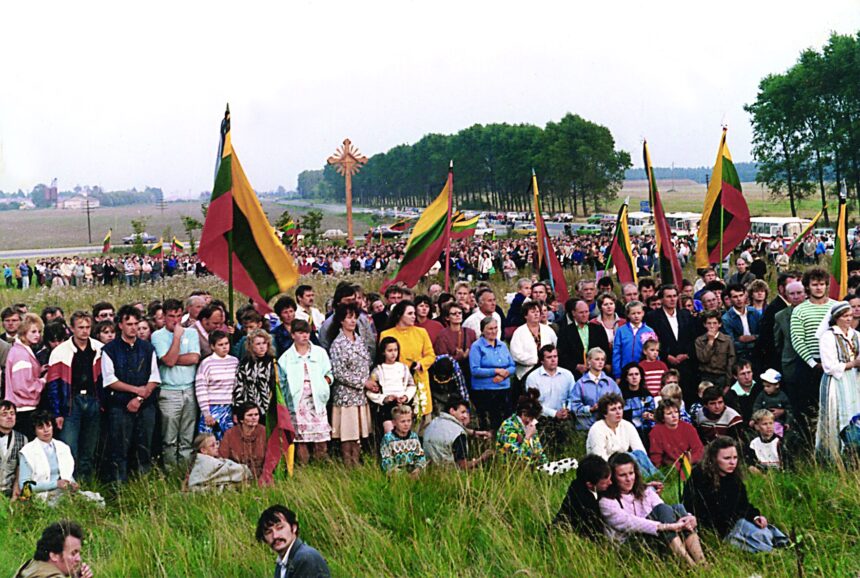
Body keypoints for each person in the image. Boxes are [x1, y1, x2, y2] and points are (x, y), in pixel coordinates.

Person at [683, 436, 789, 553]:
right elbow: (692, 507)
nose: (732, 462)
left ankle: (782, 545)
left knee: (765, 531)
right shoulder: (699, 477)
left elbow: (743, 504)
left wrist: (755, 516)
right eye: (727, 458)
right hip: (722, 529)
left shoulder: (733, 477)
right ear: (713, 458)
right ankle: (770, 550)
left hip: (739, 522)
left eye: (735, 458)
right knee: (757, 535)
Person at [599, 453, 704, 567]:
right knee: (663, 511)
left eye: (631, 473)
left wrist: (688, 517)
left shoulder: (646, 491)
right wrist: (664, 526)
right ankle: (690, 565)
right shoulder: (607, 501)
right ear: (613, 478)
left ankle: (702, 563)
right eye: (622, 475)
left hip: (655, 540)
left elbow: (665, 510)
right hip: (628, 547)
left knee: (677, 508)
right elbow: (629, 523)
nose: (629, 479)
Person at [101, 305, 161, 484]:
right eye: (129, 324)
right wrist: (135, 391)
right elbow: (110, 380)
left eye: (136, 324)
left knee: (145, 449)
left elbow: (154, 377)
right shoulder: (110, 350)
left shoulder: (147, 348)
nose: (133, 328)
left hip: (145, 406)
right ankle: (120, 488)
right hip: (119, 407)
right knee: (120, 450)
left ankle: (145, 487)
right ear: (120, 325)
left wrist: (140, 398)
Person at [44, 311, 103, 481]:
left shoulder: (99, 349)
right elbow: (53, 385)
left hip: (93, 400)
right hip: (71, 402)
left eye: (87, 327)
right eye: (81, 327)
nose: (84, 331)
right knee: (69, 447)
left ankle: (86, 482)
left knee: (89, 447)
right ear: (72, 328)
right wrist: (57, 413)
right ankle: (70, 483)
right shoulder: (60, 352)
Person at [151, 298, 201, 467]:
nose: (176, 320)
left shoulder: (192, 333)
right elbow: (169, 361)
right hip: (169, 391)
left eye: (179, 316)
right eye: (171, 316)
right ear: (164, 316)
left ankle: (185, 471)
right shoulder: (157, 336)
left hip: (189, 388)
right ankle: (171, 471)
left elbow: (194, 357)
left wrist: (170, 358)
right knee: (169, 437)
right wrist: (177, 338)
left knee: (187, 436)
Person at [790, 268, 837, 441]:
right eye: (814, 284)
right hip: (809, 366)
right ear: (808, 287)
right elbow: (797, 340)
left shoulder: (835, 307)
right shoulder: (800, 310)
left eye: (822, 284)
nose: (818, 288)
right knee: (808, 409)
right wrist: (812, 363)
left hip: (831, 364)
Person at [278, 320, 332, 466]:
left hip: (317, 402)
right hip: (297, 404)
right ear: (293, 335)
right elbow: (282, 382)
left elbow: (329, 372)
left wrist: (324, 383)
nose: (304, 336)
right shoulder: (286, 358)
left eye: (307, 332)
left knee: (321, 439)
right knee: (301, 440)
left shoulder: (320, 353)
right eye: (300, 333)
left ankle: (320, 468)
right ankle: (304, 469)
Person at [327, 303, 373, 467]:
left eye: (355, 317)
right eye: (349, 317)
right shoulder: (338, 343)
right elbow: (339, 372)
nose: (353, 321)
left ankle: (357, 463)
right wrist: (363, 383)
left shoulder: (359, 339)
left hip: (361, 396)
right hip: (346, 396)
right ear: (341, 320)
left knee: (359, 433)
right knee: (348, 433)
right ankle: (348, 464)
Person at [815, 301, 860, 461]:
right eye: (844, 316)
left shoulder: (856, 335)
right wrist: (853, 363)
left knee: (855, 415)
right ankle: (833, 455)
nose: (848, 319)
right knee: (836, 416)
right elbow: (829, 367)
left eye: (850, 315)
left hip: (854, 381)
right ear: (836, 318)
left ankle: (853, 453)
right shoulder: (828, 337)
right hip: (836, 381)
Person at [379, 301, 436, 419]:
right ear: (400, 315)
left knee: (422, 417)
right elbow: (382, 359)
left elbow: (431, 355)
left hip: (419, 378)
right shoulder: (386, 334)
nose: (414, 316)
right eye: (410, 313)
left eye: (414, 313)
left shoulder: (421, 332)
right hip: (397, 382)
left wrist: (421, 364)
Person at [645, 284, 700, 402]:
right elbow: (653, 341)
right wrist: (667, 356)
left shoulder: (685, 314)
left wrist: (686, 354)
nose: (672, 299)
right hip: (665, 363)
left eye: (674, 296)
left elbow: (693, 337)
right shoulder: (652, 317)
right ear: (661, 299)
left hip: (686, 364)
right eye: (668, 296)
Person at [585, 393, 657, 476]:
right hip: (604, 468)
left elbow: (641, 451)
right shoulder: (597, 429)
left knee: (638, 453)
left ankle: (657, 478)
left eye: (620, 408)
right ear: (605, 413)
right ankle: (648, 481)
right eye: (613, 409)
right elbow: (600, 459)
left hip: (624, 463)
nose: (618, 412)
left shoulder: (627, 425)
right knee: (629, 457)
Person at [256, 504, 331, 578]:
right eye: (269, 532)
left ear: (294, 528)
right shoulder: (282, 563)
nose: (275, 536)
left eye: (280, 528)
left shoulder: (305, 558)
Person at [469, 316, 515, 430]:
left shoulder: (502, 345)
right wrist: (495, 371)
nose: (493, 331)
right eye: (490, 329)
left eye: (495, 328)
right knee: (489, 424)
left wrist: (504, 374)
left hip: (504, 388)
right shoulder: (476, 346)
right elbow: (475, 370)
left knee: (505, 423)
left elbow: (512, 366)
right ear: (482, 330)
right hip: (485, 390)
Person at [4, 313, 46, 440]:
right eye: (33, 331)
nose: (37, 335)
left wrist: (38, 370)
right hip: (24, 409)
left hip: (21, 408)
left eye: (39, 331)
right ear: (23, 333)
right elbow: (22, 387)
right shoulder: (21, 354)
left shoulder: (20, 350)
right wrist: (43, 381)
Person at [524, 344, 575, 446]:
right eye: (549, 357)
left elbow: (573, 397)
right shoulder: (533, 378)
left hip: (565, 416)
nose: (553, 360)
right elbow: (534, 404)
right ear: (542, 361)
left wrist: (568, 409)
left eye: (555, 356)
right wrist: (554, 413)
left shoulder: (567, 375)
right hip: (542, 417)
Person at [552, 454, 612, 539]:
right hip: (565, 535)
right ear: (590, 485)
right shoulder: (585, 503)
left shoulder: (578, 483)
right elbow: (594, 532)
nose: (610, 483)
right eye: (605, 482)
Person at [422, 397, 493, 469]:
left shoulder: (434, 422)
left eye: (467, 413)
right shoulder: (459, 435)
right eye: (463, 412)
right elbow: (463, 466)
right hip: (448, 473)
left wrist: (475, 433)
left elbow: (450, 429)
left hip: (429, 469)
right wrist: (482, 459)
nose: (466, 416)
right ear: (452, 411)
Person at [195, 330, 238, 440]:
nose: (224, 347)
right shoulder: (206, 363)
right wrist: (206, 413)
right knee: (209, 441)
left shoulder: (235, 361)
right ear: (212, 346)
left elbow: (238, 387)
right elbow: (201, 389)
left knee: (228, 441)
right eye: (220, 345)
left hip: (229, 407)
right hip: (212, 407)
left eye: (226, 344)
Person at [368, 337, 416, 433]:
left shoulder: (403, 368)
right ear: (383, 352)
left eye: (395, 350)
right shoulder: (378, 370)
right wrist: (384, 398)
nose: (393, 353)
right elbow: (369, 392)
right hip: (387, 407)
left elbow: (411, 385)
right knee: (390, 433)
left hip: (403, 405)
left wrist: (406, 397)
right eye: (390, 350)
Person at [14, 520, 93, 578]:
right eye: (73, 553)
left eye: (79, 553)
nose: (79, 559)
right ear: (54, 555)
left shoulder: (28, 566)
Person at [569, 348, 621, 431]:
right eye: (597, 359)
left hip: (608, 428)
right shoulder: (580, 384)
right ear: (589, 361)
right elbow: (574, 407)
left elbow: (620, 402)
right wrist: (590, 409)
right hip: (586, 429)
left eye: (602, 359)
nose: (600, 362)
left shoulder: (610, 382)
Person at [558, 300, 611, 379]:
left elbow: (605, 350)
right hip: (575, 374)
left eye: (586, 312)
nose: (584, 315)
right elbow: (562, 354)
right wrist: (576, 366)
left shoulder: (598, 329)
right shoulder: (565, 331)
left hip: (597, 372)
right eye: (581, 312)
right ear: (573, 313)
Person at [495, 388, 547, 466]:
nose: (533, 421)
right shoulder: (508, 427)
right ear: (524, 414)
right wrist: (528, 437)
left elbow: (539, 451)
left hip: (534, 467)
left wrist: (546, 465)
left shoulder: (531, 424)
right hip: (513, 469)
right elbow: (516, 458)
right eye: (531, 417)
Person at [234, 329, 277, 422]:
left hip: (270, 409)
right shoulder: (244, 363)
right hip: (250, 409)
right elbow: (239, 387)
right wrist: (237, 410)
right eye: (258, 344)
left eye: (264, 343)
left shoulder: (274, 362)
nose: (262, 347)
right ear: (251, 346)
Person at [186, 433, 252, 492]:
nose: (217, 447)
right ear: (203, 450)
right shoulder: (205, 462)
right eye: (212, 445)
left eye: (217, 443)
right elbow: (237, 470)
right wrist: (245, 469)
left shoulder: (216, 459)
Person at [648, 399, 704, 469]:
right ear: (662, 417)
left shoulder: (689, 428)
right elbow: (656, 457)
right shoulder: (655, 432)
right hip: (668, 469)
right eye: (669, 413)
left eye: (676, 412)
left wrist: (688, 461)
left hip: (689, 465)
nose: (674, 416)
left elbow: (699, 450)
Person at [219, 402, 267, 480]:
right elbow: (223, 458)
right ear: (241, 419)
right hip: (237, 476)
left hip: (261, 477)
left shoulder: (264, 431)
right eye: (250, 415)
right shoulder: (230, 433)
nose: (254, 418)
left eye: (256, 414)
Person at [509, 301, 557, 380]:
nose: (536, 314)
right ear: (525, 315)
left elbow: (556, 346)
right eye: (533, 312)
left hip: (547, 371)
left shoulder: (548, 330)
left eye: (538, 312)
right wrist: (536, 359)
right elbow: (516, 355)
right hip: (526, 372)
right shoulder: (519, 332)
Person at [379, 404, 427, 476]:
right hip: (396, 476)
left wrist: (418, 469)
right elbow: (386, 462)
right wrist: (403, 475)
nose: (406, 424)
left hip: (414, 474)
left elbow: (420, 457)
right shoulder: (388, 439)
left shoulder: (414, 437)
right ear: (394, 423)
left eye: (409, 421)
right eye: (403, 421)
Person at [612, 301, 655, 380]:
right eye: (633, 313)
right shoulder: (621, 331)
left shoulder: (649, 331)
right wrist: (617, 374)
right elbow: (616, 353)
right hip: (624, 371)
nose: (636, 316)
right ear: (628, 315)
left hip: (643, 371)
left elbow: (654, 352)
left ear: (643, 313)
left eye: (639, 313)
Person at [694, 310, 736, 390]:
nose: (712, 326)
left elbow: (731, 362)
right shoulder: (699, 341)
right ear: (704, 325)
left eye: (715, 323)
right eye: (709, 323)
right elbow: (703, 359)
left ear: (719, 324)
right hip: (706, 377)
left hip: (722, 377)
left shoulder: (727, 340)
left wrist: (728, 383)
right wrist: (710, 341)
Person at [432, 302, 476, 375]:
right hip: (451, 373)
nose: (458, 315)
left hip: (469, 371)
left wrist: (468, 354)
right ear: (447, 317)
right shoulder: (442, 335)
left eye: (460, 313)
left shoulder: (470, 333)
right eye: (454, 314)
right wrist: (458, 357)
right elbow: (442, 359)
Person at [752, 368, 793, 437]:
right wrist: (753, 419)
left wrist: (787, 422)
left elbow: (789, 410)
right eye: (764, 386)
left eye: (768, 386)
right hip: (763, 423)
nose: (765, 388)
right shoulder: (762, 395)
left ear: (777, 385)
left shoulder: (783, 396)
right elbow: (756, 406)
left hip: (779, 423)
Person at [618, 363, 655, 435]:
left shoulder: (648, 395)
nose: (634, 377)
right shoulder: (620, 396)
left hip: (646, 431)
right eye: (630, 375)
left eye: (637, 374)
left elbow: (653, 413)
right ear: (626, 378)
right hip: (627, 433)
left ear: (641, 376)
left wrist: (649, 415)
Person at [1, 400, 27, 498]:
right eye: (4, 414)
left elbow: (20, 469)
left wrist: (15, 496)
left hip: (9, 491)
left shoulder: (22, 439)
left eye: (12, 413)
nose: (9, 417)